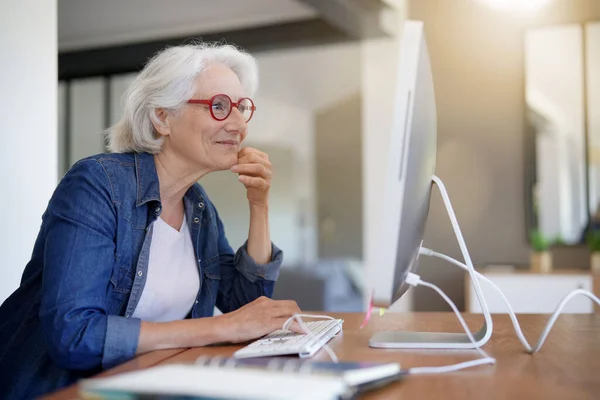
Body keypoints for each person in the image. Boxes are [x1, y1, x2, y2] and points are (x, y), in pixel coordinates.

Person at [0, 43, 302, 399]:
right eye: (219, 106)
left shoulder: (197, 206)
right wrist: (217, 327)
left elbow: (248, 307)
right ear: (162, 117)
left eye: (242, 108)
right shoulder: (96, 185)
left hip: (150, 386)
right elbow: (74, 335)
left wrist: (259, 204)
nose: (238, 125)